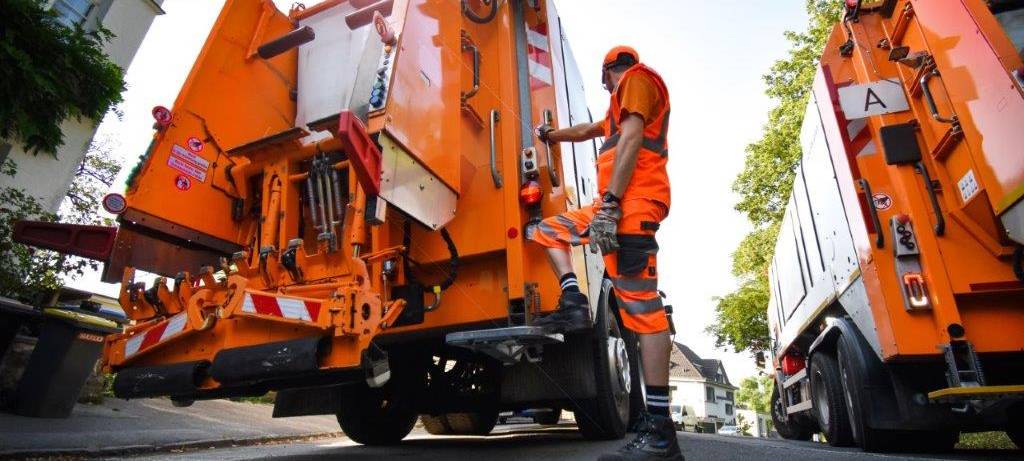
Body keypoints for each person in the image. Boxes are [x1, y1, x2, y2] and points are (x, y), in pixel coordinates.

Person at [530, 46, 682, 461]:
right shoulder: (621, 104)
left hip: (630, 207)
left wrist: (612, 201)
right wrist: (552, 136)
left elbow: (632, 137)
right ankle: (573, 298)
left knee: (644, 313)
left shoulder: (638, 79)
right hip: (611, 208)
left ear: (612, 71)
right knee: (546, 230)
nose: (604, 88)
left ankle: (661, 435)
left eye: (604, 80)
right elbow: (586, 131)